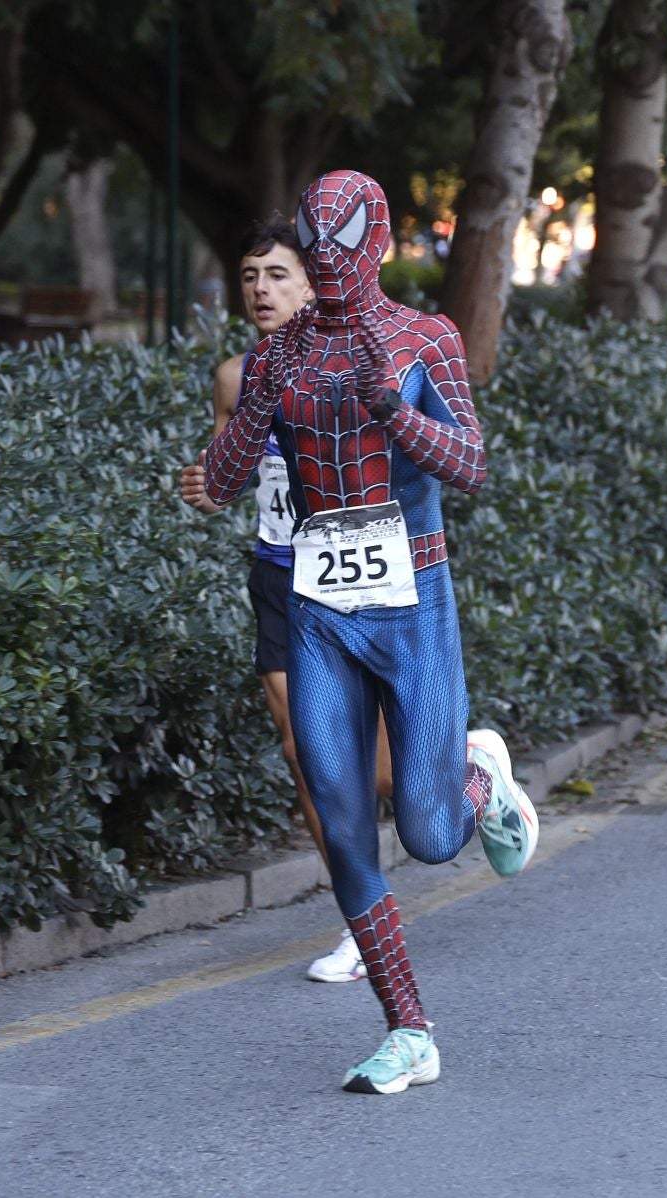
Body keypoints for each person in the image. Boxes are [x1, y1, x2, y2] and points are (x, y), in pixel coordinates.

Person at [199, 169, 538, 1095]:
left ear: (378, 245)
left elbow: (469, 464)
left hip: (414, 594)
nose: (331, 265)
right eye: (319, 250)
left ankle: (482, 780)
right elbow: (224, 483)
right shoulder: (276, 357)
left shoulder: (427, 338)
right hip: (317, 606)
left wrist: (396, 410)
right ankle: (409, 1030)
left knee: (429, 834)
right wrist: (257, 406)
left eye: (344, 247)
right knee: (342, 823)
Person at [177, 214, 393, 986]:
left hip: (358, 571)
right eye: (249, 276)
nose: (261, 290)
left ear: (313, 283)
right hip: (277, 572)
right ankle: (362, 927)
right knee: (305, 756)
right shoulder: (239, 376)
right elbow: (226, 470)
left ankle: (465, 758)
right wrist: (205, 487)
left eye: (277, 276)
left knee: (380, 771)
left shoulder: (359, 362)